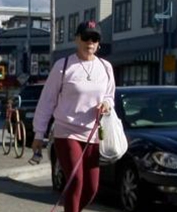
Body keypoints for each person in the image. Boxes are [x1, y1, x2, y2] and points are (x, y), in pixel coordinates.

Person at [31, 20, 115, 212]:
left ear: (99, 43)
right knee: (75, 180)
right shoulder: (63, 66)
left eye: (94, 38)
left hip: (93, 134)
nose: (90, 42)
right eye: (85, 37)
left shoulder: (105, 67)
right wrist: (39, 134)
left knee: (91, 188)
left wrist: (106, 104)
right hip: (67, 132)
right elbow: (47, 101)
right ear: (77, 39)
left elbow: (110, 96)